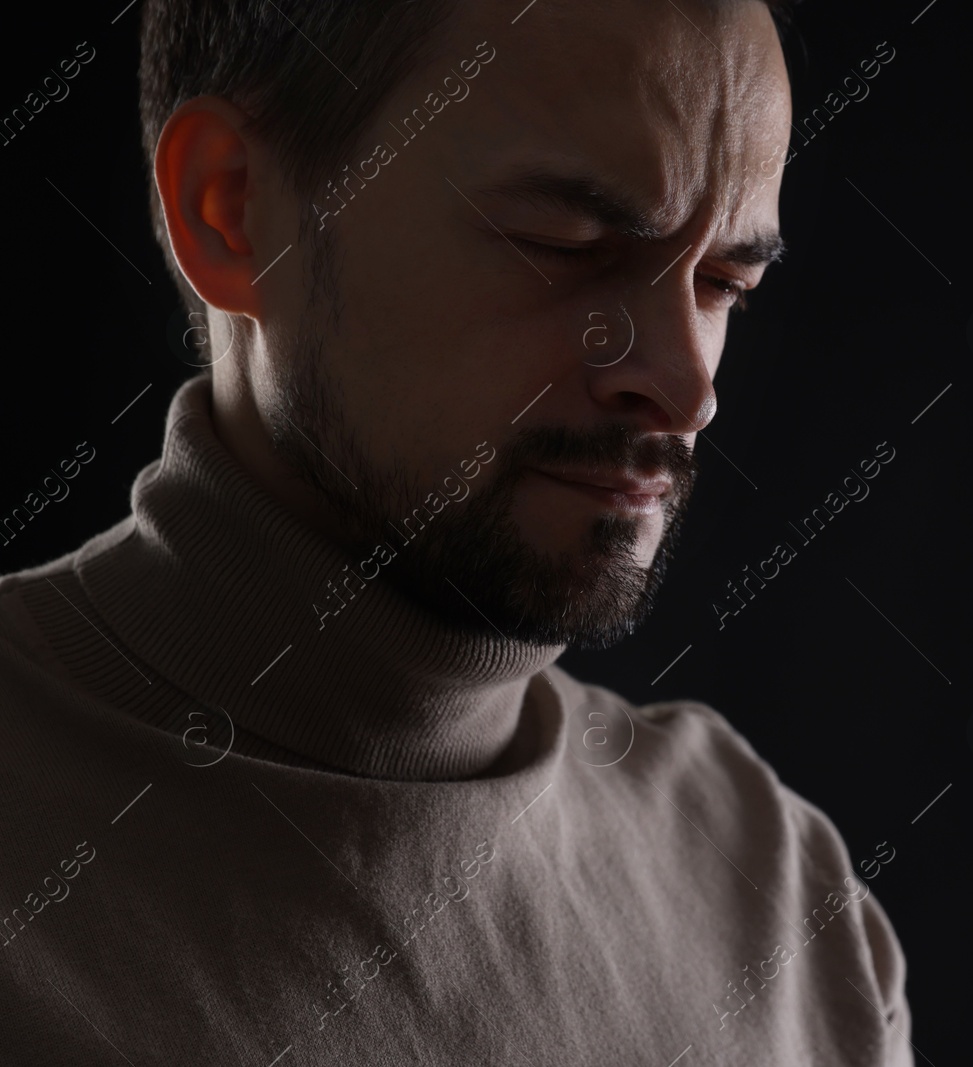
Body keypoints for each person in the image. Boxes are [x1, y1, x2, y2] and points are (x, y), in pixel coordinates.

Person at [0, 0, 913, 1061]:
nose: (685, 384)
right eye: (565, 245)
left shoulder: (777, 890)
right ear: (233, 211)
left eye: (724, 284)